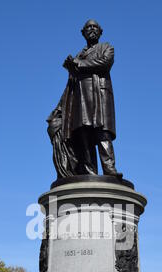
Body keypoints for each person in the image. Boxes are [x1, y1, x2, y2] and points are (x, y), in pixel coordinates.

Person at [48, 20, 123, 179]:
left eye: (95, 27)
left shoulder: (106, 48)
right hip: (80, 101)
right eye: (88, 27)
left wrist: (78, 64)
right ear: (83, 33)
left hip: (99, 97)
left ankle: (110, 169)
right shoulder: (78, 56)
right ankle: (90, 173)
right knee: (84, 136)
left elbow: (105, 63)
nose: (92, 29)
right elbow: (70, 85)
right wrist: (59, 108)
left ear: (100, 31)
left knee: (103, 133)